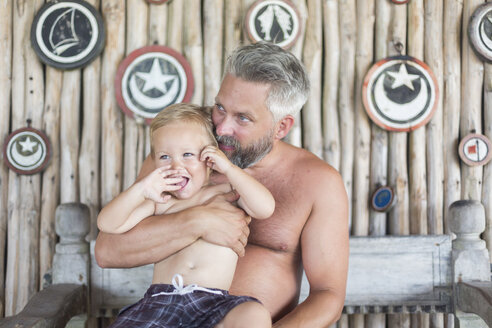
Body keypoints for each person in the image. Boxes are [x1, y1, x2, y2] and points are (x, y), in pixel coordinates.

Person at [96, 42, 349, 327]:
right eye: (219, 107)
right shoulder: (181, 157)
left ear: (281, 127)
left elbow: (327, 295)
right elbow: (108, 251)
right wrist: (197, 221)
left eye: (243, 118)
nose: (221, 128)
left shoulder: (318, 182)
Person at [98, 103, 275, 327]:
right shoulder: (161, 202)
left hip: (213, 304)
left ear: (209, 158)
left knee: (254, 314)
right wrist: (141, 189)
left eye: (187, 154)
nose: (176, 165)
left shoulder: (228, 195)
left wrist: (230, 169)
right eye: (164, 157)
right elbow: (108, 223)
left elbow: (265, 208)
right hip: (161, 301)